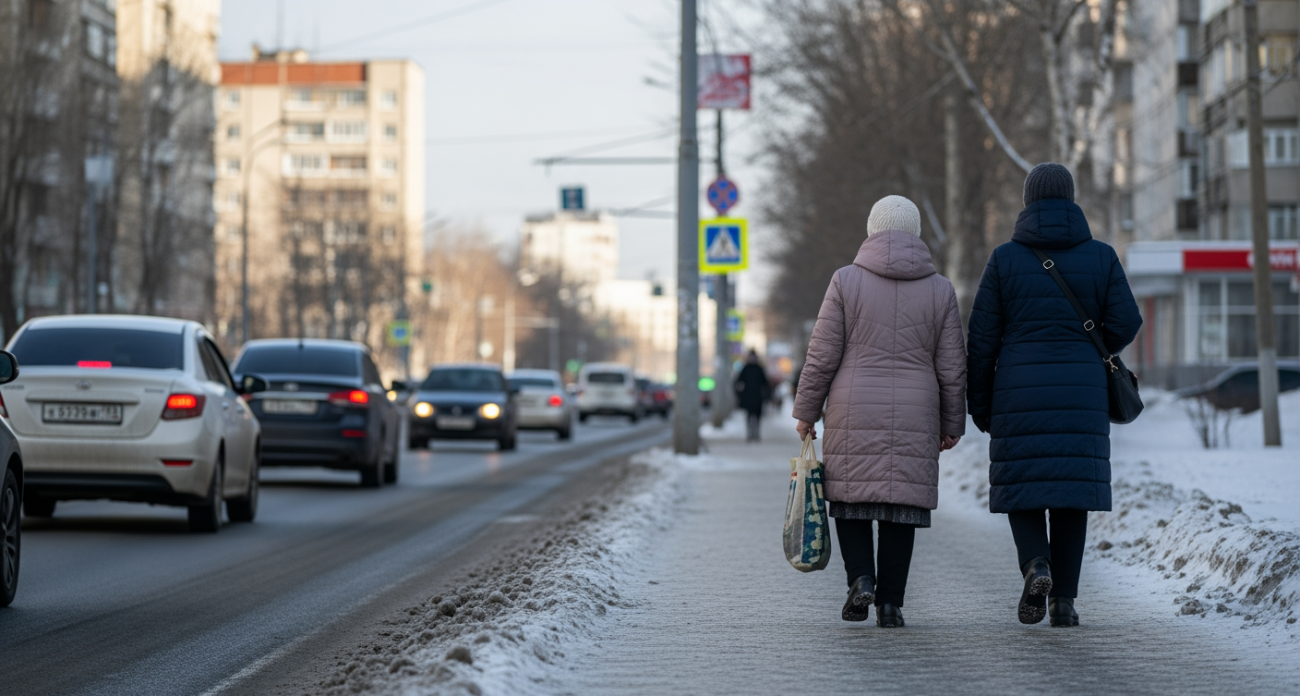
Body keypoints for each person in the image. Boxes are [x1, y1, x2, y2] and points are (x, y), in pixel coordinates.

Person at [966, 163, 1142, 628]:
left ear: (1028, 202)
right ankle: (1063, 602)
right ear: (1071, 199)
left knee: (1022, 489)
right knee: (1070, 495)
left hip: (1017, 392)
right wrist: (1093, 345)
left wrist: (980, 405)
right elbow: (1127, 320)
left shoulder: (1004, 259)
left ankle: (1035, 565)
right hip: (1082, 393)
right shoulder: (1101, 256)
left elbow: (982, 339)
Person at [793, 195, 967, 628]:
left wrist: (806, 410)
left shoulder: (844, 281)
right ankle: (890, 604)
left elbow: (822, 354)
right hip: (916, 410)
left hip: (853, 407)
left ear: (872, 231)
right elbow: (952, 366)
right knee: (900, 507)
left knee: (851, 499)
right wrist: (952, 423)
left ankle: (860, 579)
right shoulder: (941, 289)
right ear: (917, 233)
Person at [734, 349, 771, 442]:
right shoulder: (745, 368)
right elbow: (738, 381)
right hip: (748, 397)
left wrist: (766, 395)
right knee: (749, 415)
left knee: (758, 416)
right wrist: (739, 393)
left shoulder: (759, 369)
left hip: (758, 396)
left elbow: (765, 383)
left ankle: (756, 433)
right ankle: (750, 434)